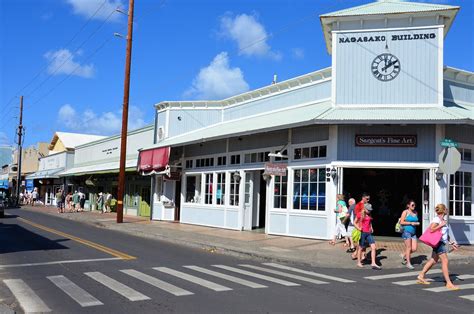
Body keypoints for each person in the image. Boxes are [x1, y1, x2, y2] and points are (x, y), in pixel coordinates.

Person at [417, 204, 459, 290]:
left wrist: (451, 242)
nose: (447, 210)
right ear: (443, 210)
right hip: (439, 243)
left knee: (433, 260)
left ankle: (421, 276)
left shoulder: (442, 220)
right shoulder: (437, 219)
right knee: (445, 261)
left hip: (440, 242)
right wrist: (440, 225)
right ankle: (448, 283)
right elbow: (431, 229)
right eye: (446, 208)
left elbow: (445, 234)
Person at [355, 203, 381, 270]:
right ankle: (358, 262)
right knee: (361, 248)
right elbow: (354, 222)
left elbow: (370, 222)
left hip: (369, 233)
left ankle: (373, 263)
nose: (369, 211)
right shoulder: (360, 214)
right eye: (368, 210)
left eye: (370, 210)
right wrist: (358, 228)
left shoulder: (369, 214)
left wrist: (371, 227)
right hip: (363, 232)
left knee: (373, 247)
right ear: (365, 209)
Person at [399, 199, 420, 269]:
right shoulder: (405, 212)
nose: (414, 206)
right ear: (408, 205)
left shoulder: (415, 212)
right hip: (406, 231)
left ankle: (404, 254)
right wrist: (411, 223)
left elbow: (416, 220)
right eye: (412, 205)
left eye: (414, 205)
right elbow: (401, 222)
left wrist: (417, 223)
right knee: (409, 248)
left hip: (413, 233)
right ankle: (408, 263)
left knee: (414, 248)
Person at [351, 193, 370, 260]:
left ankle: (360, 255)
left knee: (363, 242)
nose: (368, 200)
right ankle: (358, 254)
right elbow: (357, 216)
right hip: (360, 226)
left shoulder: (366, 205)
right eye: (367, 199)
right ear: (363, 198)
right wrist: (358, 226)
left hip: (366, 225)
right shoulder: (359, 205)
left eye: (369, 199)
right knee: (361, 242)